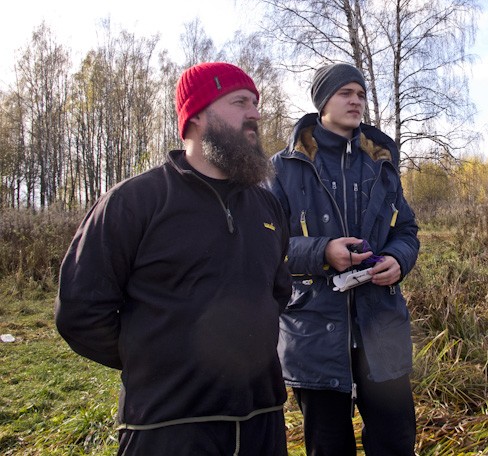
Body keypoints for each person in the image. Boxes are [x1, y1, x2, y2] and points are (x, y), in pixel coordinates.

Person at [55, 62, 292, 456]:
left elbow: (277, 292)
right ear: (196, 114)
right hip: (167, 424)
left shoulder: (267, 206)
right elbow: (80, 311)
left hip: (261, 418)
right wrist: (156, 360)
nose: (255, 113)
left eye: (255, 102)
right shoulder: (134, 202)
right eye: (240, 101)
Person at [269, 62, 419, 456]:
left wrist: (398, 261)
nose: (356, 101)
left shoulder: (381, 163)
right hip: (314, 335)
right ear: (322, 103)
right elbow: (265, 246)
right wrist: (321, 252)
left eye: (361, 94)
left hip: (381, 331)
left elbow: (406, 231)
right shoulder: (283, 168)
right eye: (345, 93)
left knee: (396, 443)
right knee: (329, 448)